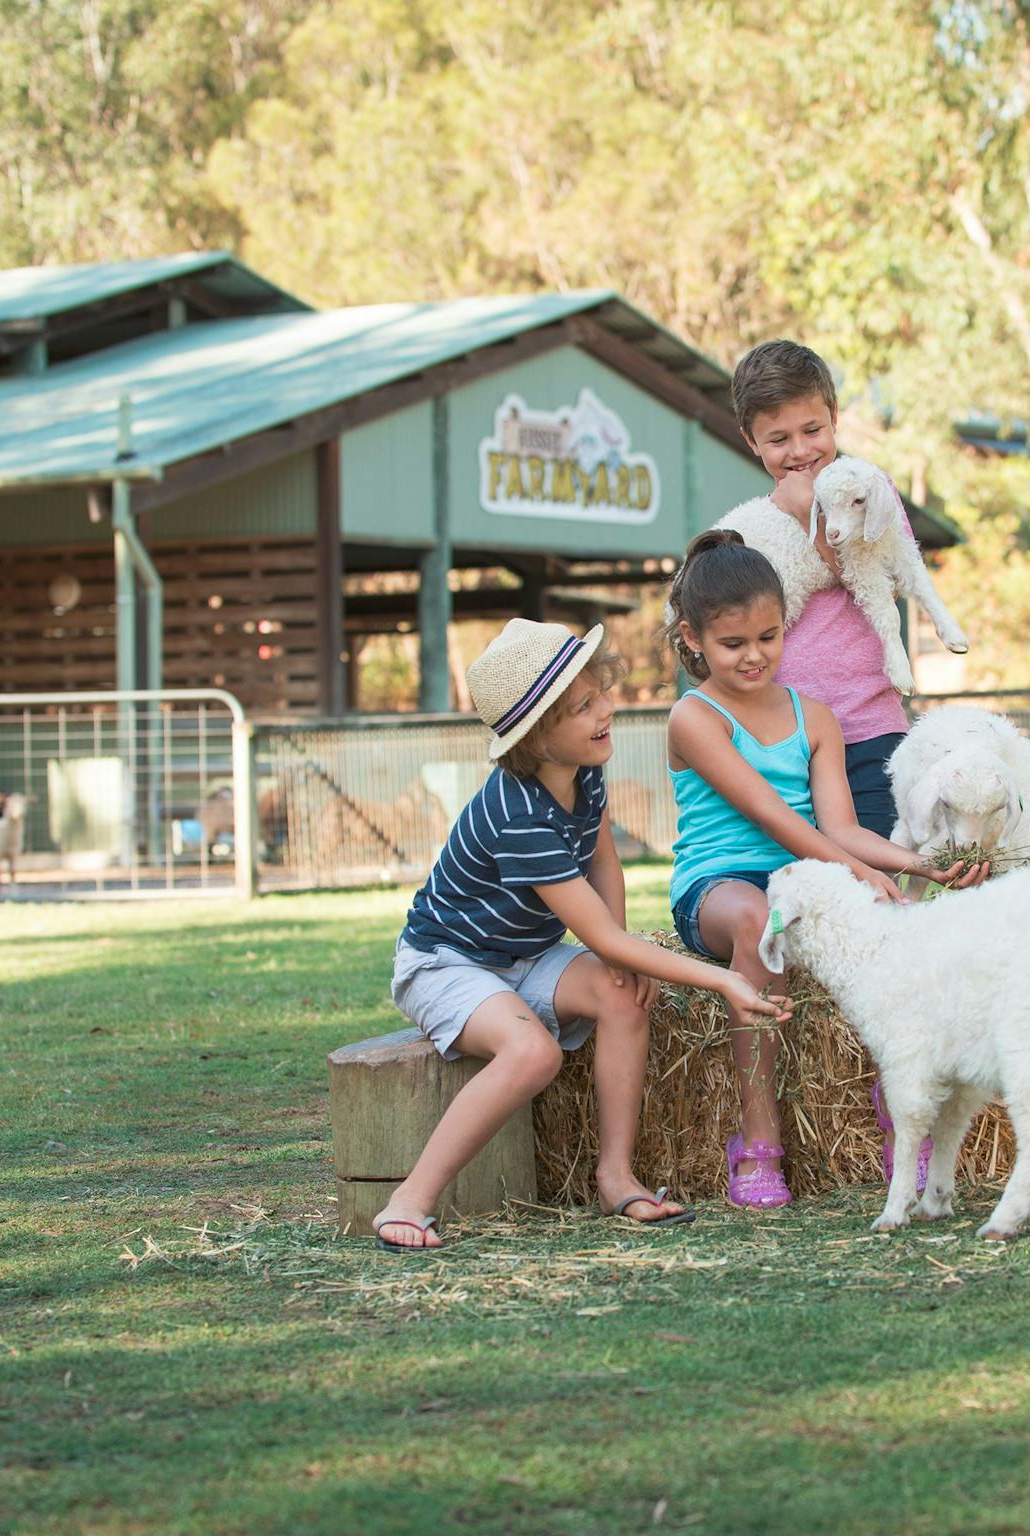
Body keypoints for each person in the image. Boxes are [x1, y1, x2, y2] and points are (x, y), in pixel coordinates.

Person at [371, 618, 787, 1250]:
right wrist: (722, 977)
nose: (605, 713)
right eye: (582, 707)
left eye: (600, 695)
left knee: (624, 994)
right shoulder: (518, 816)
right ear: (537, 738)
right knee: (532, 1052)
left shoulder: (585, 771)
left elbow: (604, 864)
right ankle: (410, 1198)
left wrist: (622, 954)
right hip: (447, 962)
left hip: (527, 953)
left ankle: (615, 1176)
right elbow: (590, 927)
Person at [663, 531, 983, 1209]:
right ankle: (758, 1137)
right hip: (721, 886)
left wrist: (917, 865)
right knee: (759, 922)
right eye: (732, 644)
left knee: (900, 920)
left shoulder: (816, 718)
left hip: (807, 874)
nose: (755, 656)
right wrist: (854, 873)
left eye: (769, 637)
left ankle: (902, 1104)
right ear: (692, 639)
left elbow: (840, 829)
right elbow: (778, 822)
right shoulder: (693, 718)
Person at [728, 339, 915, 838]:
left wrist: (810, 518)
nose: (800, 451)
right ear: (751, 440)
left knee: (873, 875)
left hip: (872, 728)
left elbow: (890, 584)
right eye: (778, 439)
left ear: (833, 417)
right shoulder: (751, 531)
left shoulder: (868, 493)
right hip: (786, 741)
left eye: (812, 430)